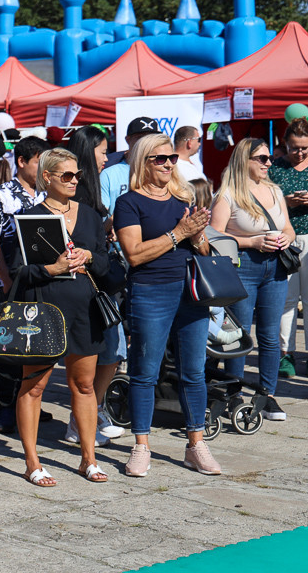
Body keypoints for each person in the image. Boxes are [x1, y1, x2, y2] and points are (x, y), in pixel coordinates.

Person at [115, 133, 218, 477]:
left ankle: (196, 444)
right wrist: (178, 233)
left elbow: (202, 250)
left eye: (172, 158)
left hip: (191, 292)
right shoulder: (129, 203)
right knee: (145, 373)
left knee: (194, 371)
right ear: (143, 161)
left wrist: (197, 234)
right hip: (150, 291)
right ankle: (141, 446)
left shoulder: (183, 197)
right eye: (160, 159)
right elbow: (134, 254)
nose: (169, 164)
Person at [11, 149, 109, 486]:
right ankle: (32, 462)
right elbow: (16, 271)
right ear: (47, 177)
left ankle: (88, 459)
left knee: (84, 386)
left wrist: (90, 257)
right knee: (34, 386)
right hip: (43, 310)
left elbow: (107, 265)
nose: (73, 181)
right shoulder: (29, 216)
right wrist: (51, 268)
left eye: (76, 175)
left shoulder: (92, 216)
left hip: (85, 310)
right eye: (65, 175)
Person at [210, 137, 296, 421]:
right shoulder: (228, 194)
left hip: (276, 268)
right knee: (240, 333)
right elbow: (214, 234)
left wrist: (286, 237)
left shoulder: (274, 189)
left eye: (269, 157)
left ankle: (267, 395)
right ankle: (233, 394)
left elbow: (289, 228)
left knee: (271, 335)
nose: (269, 163)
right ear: (244, 160)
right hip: (243, 266)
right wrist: (252, 242)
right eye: (262, 158)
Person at [0, 137, 48, 433]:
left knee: (39, 345)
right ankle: (5, 407)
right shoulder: (2, 195)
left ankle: (31, 403)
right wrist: (6, 279)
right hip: (14, 280)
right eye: (38, 162)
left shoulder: (48, 193)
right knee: (9, 345)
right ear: (21, 162)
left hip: (44, 281)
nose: (44, 169)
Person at [64, 125, 124, 446]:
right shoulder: (79, 194)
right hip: (87, 288)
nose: (106, 158)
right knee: (106, 353)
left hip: (99, 283)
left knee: (113, 352)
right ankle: (86, 416)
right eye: (102, 152)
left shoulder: (92, 188)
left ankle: (87, 414)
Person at [269, 117, 308, 378]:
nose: (300, 152)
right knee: (287, 300)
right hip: (287, 237)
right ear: (286, 144)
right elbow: (266, 202)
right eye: (294, 147)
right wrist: (286, 203)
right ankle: (286, 353)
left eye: (304, 147)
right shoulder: (276, 169)